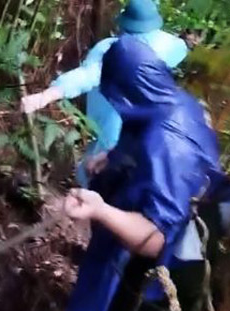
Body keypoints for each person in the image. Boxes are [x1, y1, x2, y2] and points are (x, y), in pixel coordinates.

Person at [58, 36, 230, 311]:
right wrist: (112, 156)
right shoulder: (172, 100)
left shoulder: (169, 147)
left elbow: (156, 237)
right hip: (183, 199)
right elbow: (140, 130)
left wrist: (100, 210)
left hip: (188, 233)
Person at [21, 0, 188, 188]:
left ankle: (92, 200)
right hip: (145, 123)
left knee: (98, 168)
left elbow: (86, 76)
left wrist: (45, 96)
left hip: (114, 122)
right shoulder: (167, 44)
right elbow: (181, 48)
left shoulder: (113, 51)